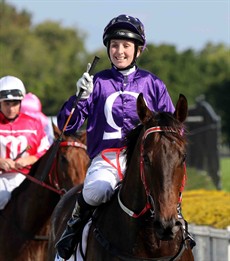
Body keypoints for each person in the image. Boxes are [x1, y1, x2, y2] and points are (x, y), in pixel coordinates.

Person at [56, 14, 176, 259]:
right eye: (114, 45)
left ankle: (181, 231)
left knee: (166, 190)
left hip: (145, 159)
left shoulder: (153, 84)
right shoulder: (96, 83)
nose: (119, 51)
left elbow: (173, 127)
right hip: (107, 158)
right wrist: (77, 98)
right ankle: (73, 229)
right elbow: (67, 126)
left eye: (126, 46)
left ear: (138, 51)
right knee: (96, 190)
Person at [0, 75, 50, 210]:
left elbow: (46, 151)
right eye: (7, 103)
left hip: (29, 178)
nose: (11, 109)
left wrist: (30, 159)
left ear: (21, 102)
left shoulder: (34, 124)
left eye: (15, 103)